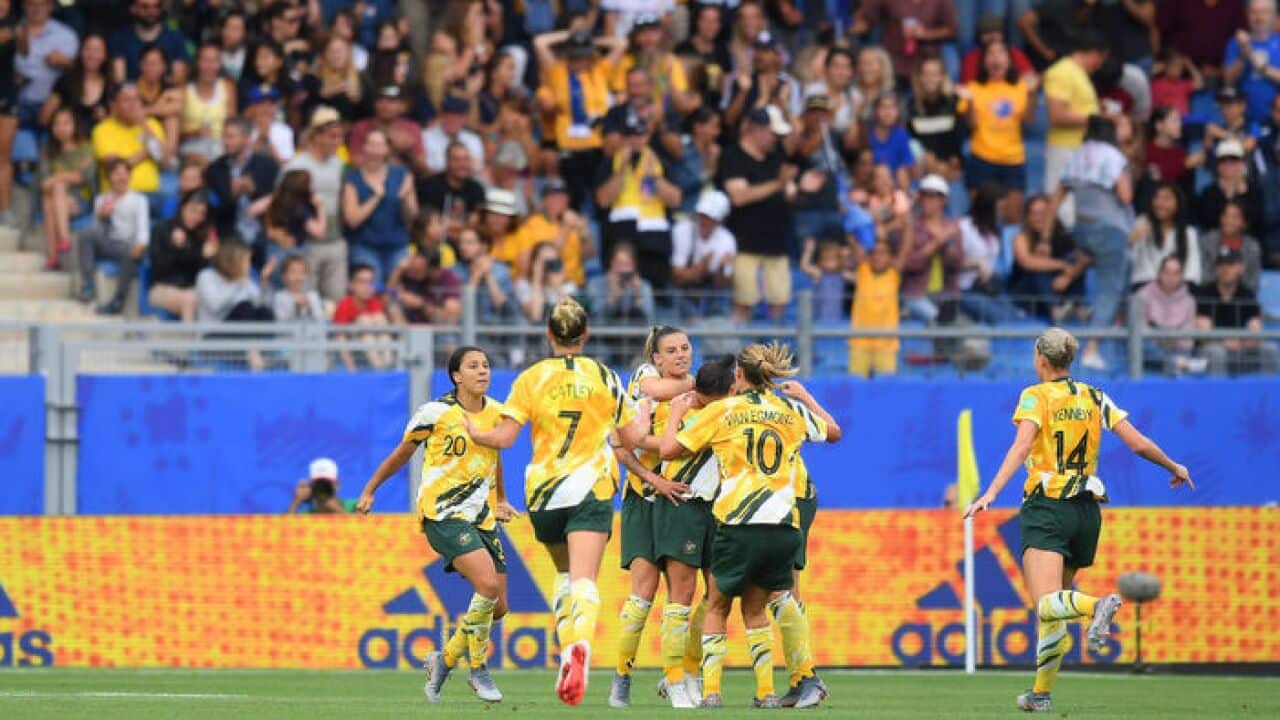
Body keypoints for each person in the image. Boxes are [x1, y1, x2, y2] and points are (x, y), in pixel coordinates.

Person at [963, 327, 1194, 713]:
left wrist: (990, 494)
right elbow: (1136, 442)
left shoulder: (1035, 396)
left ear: (1040, 359)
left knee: (1048, 605)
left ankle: (1096, 606)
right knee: (1056, 608)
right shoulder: (1094, 396)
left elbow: (1022, 446)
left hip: (1048, 505)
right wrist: (1174, 465)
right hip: (1087, 511)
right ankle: (1040, 694)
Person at [464, 298, 650, 707]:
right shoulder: (604, 376)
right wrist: (649, 415)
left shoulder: (532, 377)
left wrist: (476, 434)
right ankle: (576, 649)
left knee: (564, 577)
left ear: (549, 335)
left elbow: (505, 439)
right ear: (585, 335)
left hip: (545, 492)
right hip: (589, 487)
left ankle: (568, 654)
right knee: (584, 580)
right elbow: (633, 437)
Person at [658, 342, 840, 709]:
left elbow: (668, 450)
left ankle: (711, 692)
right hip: (783, 523)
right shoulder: (789, 409)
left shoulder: (724, 410)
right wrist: (805, 398)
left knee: (716, 605)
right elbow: (833, 432)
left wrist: (677, 412)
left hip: (738, 521)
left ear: (738, 376)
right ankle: (771, 691)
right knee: (768, 604)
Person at [357, 346, 517, 704]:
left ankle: (442, 662)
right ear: (456, 376)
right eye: (473, 366)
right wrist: (370, 490)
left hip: (482, 517)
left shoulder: (497, 413)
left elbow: (495, 458)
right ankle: (478, 670)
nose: (483, 371)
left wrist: (501, 499)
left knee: (501, 605)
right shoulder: (436, 412)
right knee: (487, 585)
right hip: (443, 513)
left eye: (486, 365)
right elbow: (402, 452)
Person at [609, 325, 697, 709]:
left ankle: (676, 677)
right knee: (641, 594)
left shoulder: (699, 398)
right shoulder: (644, 381)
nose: (681, 355)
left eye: (686, 348)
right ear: (655, 359)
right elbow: (621, 446)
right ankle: (621, 677)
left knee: (685, 595)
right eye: (672, 350)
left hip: (681, 501)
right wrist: (651, 478)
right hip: (643, 498)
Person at [1057, 115, 1133, 371]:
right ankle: (1092, 348)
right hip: (1109, 230)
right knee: (1108, 289)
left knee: (1127, 269)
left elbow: (1057, 195)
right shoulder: (1113, 156)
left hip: (1081, 230)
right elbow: (1125, 195)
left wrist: (1047, 235)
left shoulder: (1077, 154)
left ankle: (1107, 318)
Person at [532, 28, 627, 211]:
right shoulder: (557, 72)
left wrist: (589, 40)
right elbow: (540, 42)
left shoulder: (600, 70)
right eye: (576, 57)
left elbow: (621, 43)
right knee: (573, 202)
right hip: (570, 148)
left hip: (597, 146)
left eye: (584, 56)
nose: (580, 61)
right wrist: (570, 36)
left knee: (601, 202)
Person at [717, 106, 797, 321]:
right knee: (744, 305)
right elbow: (739, 196)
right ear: (756, 129)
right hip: (745, 244)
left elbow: (790, 193)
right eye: (773, 133)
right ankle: (741, 354)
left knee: (779, 304)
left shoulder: (776, 157)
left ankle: (775, 355)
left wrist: (802, 188)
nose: (776, 139)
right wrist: (778, 183)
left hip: (777, 244)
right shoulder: (733, 156)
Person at [595, 113, 682, 290]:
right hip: (621, 231)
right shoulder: (610, 163)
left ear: (647, 136)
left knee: (655, 279)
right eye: (630, 136)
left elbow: (675, 200)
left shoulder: (660, 163)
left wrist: (655, 178)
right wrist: (620, 171)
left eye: (639, 135)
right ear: (623, 137)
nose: (635, 141)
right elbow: (603, 200)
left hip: (652, 232)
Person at [960, 39, 1038, 206]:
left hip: (1013, 159)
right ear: (983, 61)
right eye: (991, 54)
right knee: (979, 217)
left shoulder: (1021, 88)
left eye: (1001, 53)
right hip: (982, 158)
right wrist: (971, 102)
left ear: (1009, 60)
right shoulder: (972, 88)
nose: (996, 58)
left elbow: (1028, 119)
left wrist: (1032, 94)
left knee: (1013, 216)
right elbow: (971, 125)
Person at [283, 106, 348, 302]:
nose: (337, 142)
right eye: (332, 136)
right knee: (307, 299)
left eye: (339, 137)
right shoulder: (297, 165)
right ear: (316, 136)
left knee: (336, 300)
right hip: (307, 243)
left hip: (335, 240)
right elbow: (284, 204)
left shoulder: (338, 164)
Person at [342, 128, 417, 285]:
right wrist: (376, 197)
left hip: (397, 245)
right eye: (371, 144)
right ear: (364, 148)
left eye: (380, 145)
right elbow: (352, 220)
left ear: (387, 149)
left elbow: (412, 216)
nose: (375, 150)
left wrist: (404, 199)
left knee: (397, 293)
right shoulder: (352, 177)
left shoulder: (402, 173)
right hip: (365, 246)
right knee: (371, 288)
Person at [75, 158, 149, 314]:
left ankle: (117, 302)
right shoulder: (101, 199)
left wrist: (140, 245)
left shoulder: (139, 200)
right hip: (108, 243)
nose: (121, 178)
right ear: (109, 178)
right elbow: (97, 231)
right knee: (86, 233)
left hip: (128, 247)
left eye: (125, 174)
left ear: (129, 176)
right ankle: (88, 285)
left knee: (132, 252)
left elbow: (143, 232)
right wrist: (101, 216)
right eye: (116, 174)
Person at [1042, 30, 1107, 200]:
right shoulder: (1062, 72)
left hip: (1081, 149)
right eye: (1101, 59)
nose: (1100, 65)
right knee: (1062, 206)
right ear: (1094, 54)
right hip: (1064, 149)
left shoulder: (1080, 75)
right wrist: (1096, 119)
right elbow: (1056, 114)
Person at [1196, 249, 1280, 375]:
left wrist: (1240, 342)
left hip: (1242, 347)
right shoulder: (1206, 293)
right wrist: (1225, 342)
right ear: (1216, 269)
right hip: (1213, 348)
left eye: (1230, 265)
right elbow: (1204, 334)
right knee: (1217, 352)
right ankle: (1218, 392)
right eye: (1221, 265)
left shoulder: (1247, 294)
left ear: (1240, 268)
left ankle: (1268, 392)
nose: (1225, 269)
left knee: (1270, 350)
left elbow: (1256, 331)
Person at [205, 117, 278, 254]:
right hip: (229, 235)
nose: (225, 142)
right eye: (224, 137)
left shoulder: (267, 165)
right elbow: (216, 207)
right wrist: (233, 193)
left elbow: (275, 199)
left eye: (231, 137)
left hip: (264, 233)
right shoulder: (215, 169)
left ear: (247, 138)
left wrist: (253, 190)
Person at [39, 107, 95, 270]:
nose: (61, 128)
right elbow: (44, 183)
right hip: (61, 202)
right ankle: (63, 241)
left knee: (55, 190)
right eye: (57, 124)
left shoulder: (85, 148)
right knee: (52, 199)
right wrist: (72, 174)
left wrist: (58, 177)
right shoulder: (48, 151)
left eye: (66, 123)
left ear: (74, 126)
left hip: (81, 201)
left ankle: (54, 256)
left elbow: (85, 177)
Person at [148, 189, 216, 323]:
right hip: (162, 288)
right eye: (192, 211)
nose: (196, 217)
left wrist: (205, 257)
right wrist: (175, 248)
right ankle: (188, 344)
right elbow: (159, 269)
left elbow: (200, 275)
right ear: (182, 207)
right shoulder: (161, 229)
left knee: (211, 299)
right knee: (190, 299)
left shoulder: (201, 234)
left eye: (201, 214)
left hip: (192, 289)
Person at [852, 0, 957, 84]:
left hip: (924, 63)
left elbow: (952, 29)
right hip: (893, 60)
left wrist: (926, 33)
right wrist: (856, 25)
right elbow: (866, 16)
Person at [849, 237, 911, 378]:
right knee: (856, 390)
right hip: (859, 343)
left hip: (886, 345)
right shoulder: (863, 271)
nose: (878, 257)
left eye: (883, 253)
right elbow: (854, 243)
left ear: (890, 257)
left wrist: (907, 224)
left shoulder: (893, 275)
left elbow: (905, 250)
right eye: (874, 253)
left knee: (885, 392)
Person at [90, 83, 170, 194]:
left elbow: (165, 160)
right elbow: (115, 169)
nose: (133, 105)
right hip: (119, 195)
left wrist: (143, 124)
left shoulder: (151, 124)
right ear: (114, 106)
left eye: (136, 99)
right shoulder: (102, 129)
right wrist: (148, 150)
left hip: (153, 193)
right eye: (126, 100)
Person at [14, 0, 78, 127]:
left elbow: (78, 73)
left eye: (42, 4)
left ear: (50, 6)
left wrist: (66, 62)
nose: (36, 9)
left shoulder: (66, 35)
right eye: (31, 4)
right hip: (14, 104)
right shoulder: (11, 30)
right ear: (24, 6)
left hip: (50, 106)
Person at [670, 189, 736, 315]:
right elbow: (676, 277)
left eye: (709, 217)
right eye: (702, 215)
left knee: (721, 300)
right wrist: (699, 269)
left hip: (710, 293)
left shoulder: (727, 240)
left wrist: (721, 268)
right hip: (682, 292)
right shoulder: (682, 230)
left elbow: (721, 285)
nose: (704, 220)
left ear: (720, 221)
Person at [1138, 256, 1205, 375]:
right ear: (1159, 274)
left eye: (1176, 273)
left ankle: (1175, 363)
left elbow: (1187, 340)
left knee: (1185, 352)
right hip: (1150, 350)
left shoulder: (1189, 301)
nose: (1171, 277)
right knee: (1140, 344)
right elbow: (1141, 331)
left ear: (1181, 276)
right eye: (1167, 272)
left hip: (1177, 350)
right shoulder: (1143, 295)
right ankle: (1177, 363)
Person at [1128, 183, 1202, 289]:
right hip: (1144, 287)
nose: (1160, 203)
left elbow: (1193, 271)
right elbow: (1130, 261)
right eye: (1156, 198)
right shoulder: (1142, 224)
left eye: (1166, 199)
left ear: (1178, 204)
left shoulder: (1188, 233)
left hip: (1177, 290)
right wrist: (1133, 239)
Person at [39, 33, 114, 132]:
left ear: (105, 55)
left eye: (97, 50)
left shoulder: (111, 85)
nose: (91, 55)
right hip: (68, 143)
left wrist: (106, 119)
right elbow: (44, 119)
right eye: (87, 49)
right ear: (80, 52)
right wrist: (62, 124)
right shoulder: (65, 81)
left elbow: (118, 125)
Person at [1222, 0, 1280, 124]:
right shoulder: (1235, 43)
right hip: (1243, 122)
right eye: (1254, 12)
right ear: (1247, 14)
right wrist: (1243, 54)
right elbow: (1228, 80)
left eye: (1264, 12)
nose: (1259, 17)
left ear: (1274, 15)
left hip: (1276, 121)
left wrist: (1262, 68)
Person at [416, 141, 487, 242]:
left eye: (466, 159)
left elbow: (478, 224)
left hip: (467, 245)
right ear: (447, 161)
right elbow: (427, 224)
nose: (462, 164)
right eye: (457, 160)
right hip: (434, 245)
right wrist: (463, 225)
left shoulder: (477, 189)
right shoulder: (430, 186)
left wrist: (446, 224)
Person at [109, 0, 191, 83]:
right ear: (133, 9)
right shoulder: (120, 38)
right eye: (145, 6)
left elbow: (178, 80)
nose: (151, 11)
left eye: (157, 6)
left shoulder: (176, 38)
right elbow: (119, 80)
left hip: (167, 94)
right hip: (130, 94)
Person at [179, 43, 237, 162]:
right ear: (197, 63)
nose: (209, 66)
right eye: (205, 60)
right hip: (191, 148)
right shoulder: (185, 91)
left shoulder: (227, 87)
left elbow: (232, 124)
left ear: (220, 64)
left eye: (214, 61)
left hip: (221, 147)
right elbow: (177, 134)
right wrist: (194, 133)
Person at [1198, 200, 1264, 294]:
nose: (1228, 221)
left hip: (1242, 298)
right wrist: (1229, 275)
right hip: (1211, 297)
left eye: (1235, 217)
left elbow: (1253, 283)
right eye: (1225, 215)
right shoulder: (1206, 242)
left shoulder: (1252, 247)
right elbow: (1204, 278)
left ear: (1244, 223)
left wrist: (1231, 282)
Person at [195, 240, 268, 324]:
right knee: (244, 308)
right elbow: (215, 305)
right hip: (214, 331)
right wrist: (237, 284)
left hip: (240, 330)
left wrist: (261, 283)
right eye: (246, 261)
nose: (249, 265)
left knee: (264, 312)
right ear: (233, 261)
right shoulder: (206, 276)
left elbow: (258, 304)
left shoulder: (244, 280)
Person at [586, 243, 656, 325]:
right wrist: (611, 298)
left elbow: (649, 321)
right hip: (606, 335)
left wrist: (638, 298)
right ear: (611, 263)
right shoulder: (595, 284)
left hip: (636, 335)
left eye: (627, 265)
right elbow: (596, 322)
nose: (622, 269)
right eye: (619, 264)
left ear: (634, 267)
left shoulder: (644, 286)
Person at [389, 248, 463, 325]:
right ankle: (404, 336)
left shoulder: (449, 280)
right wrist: (398, 270)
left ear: (433, 271)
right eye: (413, 267)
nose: (413, 273)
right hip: (410, 325)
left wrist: (422, 305)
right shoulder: (410, 274)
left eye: (419, 270)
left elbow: (449, 320)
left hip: (437, 330)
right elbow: (389, 294)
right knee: (393, 305)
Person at [423, 94, 486, 176]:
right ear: (442, 115)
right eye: (450, 114)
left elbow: (479, 169)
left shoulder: (473, 139)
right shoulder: (426, 137)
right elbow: (427, 169)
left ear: (465, 118)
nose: (454, 119)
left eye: (459, 116)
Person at [288, 458, 357, 514]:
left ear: (337, 485)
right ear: (311, 486)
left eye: (326, 483)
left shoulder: (355, 506)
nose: (322, 487)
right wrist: (296, 502)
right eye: (318, 484)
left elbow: (361, 529)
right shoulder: (307, 515)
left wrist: (336, 509)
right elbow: (284, 528)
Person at [271, 255, 325, 323]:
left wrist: (309, 308)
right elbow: (280, 324)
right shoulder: (279, 297)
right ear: (284, 276)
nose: (298, 277)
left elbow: (321, 322)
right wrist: (296, 309)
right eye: (293, 272)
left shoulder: (313, 296)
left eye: (302, 272)